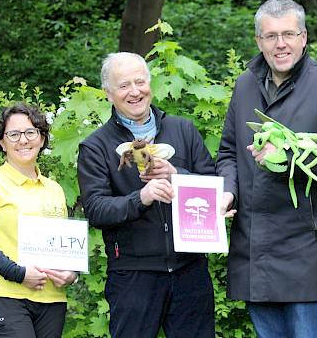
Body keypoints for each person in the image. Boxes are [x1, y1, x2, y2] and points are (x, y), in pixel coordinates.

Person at [217, 0, 317, 338]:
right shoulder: (245, 84)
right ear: (258, 41)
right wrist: (227, 193)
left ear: (304, 37)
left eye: (289, 34)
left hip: (303, 244)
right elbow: (228, 153)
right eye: (271, 36)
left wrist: (287, 158)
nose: (281, 44)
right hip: (253, 241)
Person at [77, 52, 222, 338]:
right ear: (109, 94)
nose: (134, 91)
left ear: (150, 84)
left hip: (190, 269)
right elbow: (96, 209)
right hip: (133, 273)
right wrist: (140, 198)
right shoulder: (96, 146)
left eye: (140, 82)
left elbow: (214, 186)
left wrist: (178, 176)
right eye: (123, 85)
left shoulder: (183, 130)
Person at [0, 103, 78, 338]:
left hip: (52, 299)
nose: (23, 140)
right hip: (5, 296)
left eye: (30, 132)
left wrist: (72, 274)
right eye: (13, 134)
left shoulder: (55, 189)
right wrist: (18, 273)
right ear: (1, 142)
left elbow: (66, 248)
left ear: (41, 138)